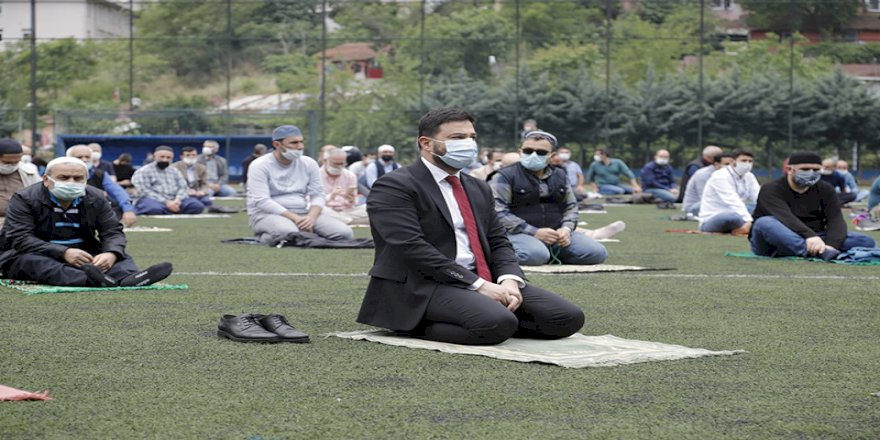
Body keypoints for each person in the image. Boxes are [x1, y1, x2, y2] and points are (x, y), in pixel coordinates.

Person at [357, 107, 584, 346]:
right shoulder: (394, 185)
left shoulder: (478, 187)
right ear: (426, 143)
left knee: (566, 318)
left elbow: (498, 239)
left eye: (471, 137)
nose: (468, 143)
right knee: (497, 324)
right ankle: (411, 324)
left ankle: (484, 313)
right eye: (458, 138)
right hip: (424, 284)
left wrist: (509, 279)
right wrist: (477, 285)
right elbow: (409, 246)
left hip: (482, 278)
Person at [0, 157, 173, 287]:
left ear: (85, 180)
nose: (71, 182)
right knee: (37, 263)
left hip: (84, 252)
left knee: (119, 257)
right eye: (64, 177)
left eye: (78, 179)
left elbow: (112, 231)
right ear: (46, 179)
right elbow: (20, 238)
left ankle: (128, 278)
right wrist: (63, 252)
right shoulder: (24, 198)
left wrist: (111, 253)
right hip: (36, 252)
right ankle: (92, 279)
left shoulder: (95, 197)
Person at [490, 130, 608, 266]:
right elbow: (499, 212)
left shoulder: (560, 175)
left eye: (541, 152)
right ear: (520, 152)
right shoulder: (505, 176)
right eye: (528, 151)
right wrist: (534, 232)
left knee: (597, 253)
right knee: (535, 255)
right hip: (517, 233)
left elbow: (571, 207)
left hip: (556, 233)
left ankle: (548, 252)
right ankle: (515, 253)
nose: (533, 155)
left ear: (551, 156)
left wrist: (566, 229)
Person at [750, 151, 876, 260]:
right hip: (774, 240)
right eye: (805, 169)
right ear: (789, 170)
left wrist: (832, 245)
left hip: (815, 237)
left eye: (816, 170)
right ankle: (814, 252)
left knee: (866, 241)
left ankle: (819, 251)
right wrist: (810, 236)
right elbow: (785, 217)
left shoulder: (825, 189)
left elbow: (835, 219)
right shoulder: (771, 189)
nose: (811, 173)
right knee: (764, 223)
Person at [246, 125, 353, 243]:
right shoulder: (259, 165)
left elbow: (318, 194)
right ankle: (266, 237)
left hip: (303, 212)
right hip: (265, 214)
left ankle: (285, 236)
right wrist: (295, 218)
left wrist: (311, 217)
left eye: (301, 142)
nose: (300, 146)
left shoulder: (309, 163)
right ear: (277, 145)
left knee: (345, 233)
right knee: (289, 233)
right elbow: (262, 201)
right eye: (294, 143)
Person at [66, 145, 137, 227]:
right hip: (68, 209)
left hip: (93, 208)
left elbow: (117, 191)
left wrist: (128, 210)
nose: (84, 160)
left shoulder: (100, 174)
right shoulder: (59, 174)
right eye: (79, 157)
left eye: (87, 157)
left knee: (117, 205)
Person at [698, 149, 760, 235]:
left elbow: (758, 197)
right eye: (744, 161)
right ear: (733, 162)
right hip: (713, 218)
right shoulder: (720, 176)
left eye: (750, 161)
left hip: (739, 214)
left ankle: (744, 228)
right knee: (733, 217)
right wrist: (749, 220)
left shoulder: (749, 176)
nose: (747, 164)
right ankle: (747, 227)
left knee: (758, 207)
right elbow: (732, 200)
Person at [132, 146, 206, 215]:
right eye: (162, 157)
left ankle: (170, 209)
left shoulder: (175, 171)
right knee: (154, 209)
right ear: (155, 157)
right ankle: (170, 209)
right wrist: (166, 202)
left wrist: (178, 200)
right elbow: (144, 191)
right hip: (153, 200)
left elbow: (183, 187)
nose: (165, 160)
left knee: (197, 206)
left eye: (168, 157)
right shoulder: (143, 171)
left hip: (175, 200)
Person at [320, 148, 368, 226]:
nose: (339, 167)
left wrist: (351, 199)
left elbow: (354, 203)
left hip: (347, 211)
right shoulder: (317, 175)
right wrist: (331, 196)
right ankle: (352, 222)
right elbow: (313, 202)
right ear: (326, 161)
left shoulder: (350, 175)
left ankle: (343, 221)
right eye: (335, 164)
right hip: (328, 210)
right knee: (317, 209)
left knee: (370, 208)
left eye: (341, 164)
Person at [0, 139, 41, 226]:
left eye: (16, 162)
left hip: (20, 223)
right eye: (7, 162)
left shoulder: (30, 172)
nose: (12, 165)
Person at [682, 153, 734, 217]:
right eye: (726, 164)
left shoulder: (728, 174)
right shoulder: (703, 174)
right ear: (716, 165)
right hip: (694, 207)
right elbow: (704, 198)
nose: (730, 167)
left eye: (732, 164)